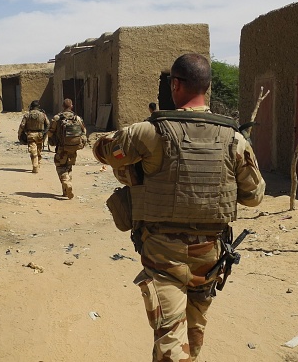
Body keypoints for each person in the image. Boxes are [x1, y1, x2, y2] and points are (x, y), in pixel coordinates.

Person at [92, 53, 265, 361]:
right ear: (208, 87)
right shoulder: (235, 138)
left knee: (171, 337)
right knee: (195, 329)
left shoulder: (150, 132)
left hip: (163, 252)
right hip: (211, 254)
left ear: (174, 85)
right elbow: (254, 196)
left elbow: (106, 152)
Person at [47, 98, 86, 199]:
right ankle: (65, 192)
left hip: (61, 147)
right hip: (74, 148)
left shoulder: (57, 118)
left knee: (60, 166)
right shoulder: (77, 118)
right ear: (71, 106)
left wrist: (51, 140)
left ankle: (66, 183)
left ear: (63, 106)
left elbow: (50, 132)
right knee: (69, 167)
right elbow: (84, 131)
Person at [18, 100, 50, 173]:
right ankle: (38, 163)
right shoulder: (43, 114)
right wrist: (45, 133)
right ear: (38, 107)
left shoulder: (27, 115)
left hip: (31, 135)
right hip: (40, 135)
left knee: (33, 150)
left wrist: (19, 134)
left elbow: (22, 125)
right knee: (39, 149)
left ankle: (35, 165)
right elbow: (48, 124)